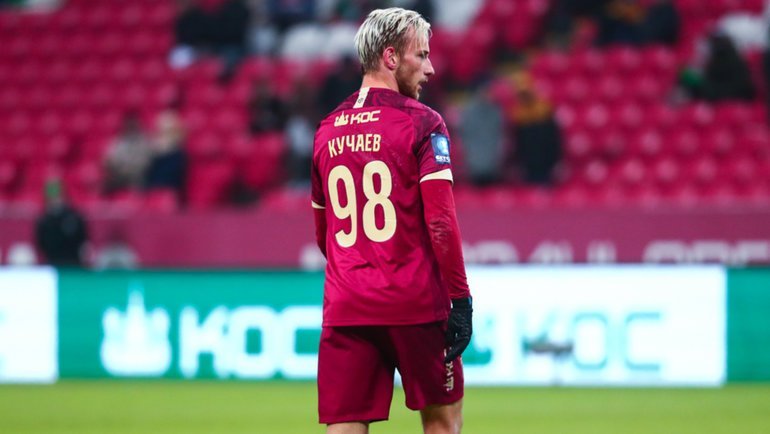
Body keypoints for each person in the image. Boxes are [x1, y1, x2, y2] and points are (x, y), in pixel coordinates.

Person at [310, 8, 473, 434]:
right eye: (422, 55)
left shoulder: (327, 130)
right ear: (391, 57)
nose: (430, 69)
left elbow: (324, 235)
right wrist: (460, 299)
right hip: (414, 303)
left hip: (346, 306)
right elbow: (441, 223)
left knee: (344, 425)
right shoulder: (422, 122)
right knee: (442, 420)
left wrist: (359, 269)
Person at [35, 178, 89, 267]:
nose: (55, 201)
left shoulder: (74, 217)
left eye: (57, 197)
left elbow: (82, 240)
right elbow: (41, 244)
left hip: (73, 263)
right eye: (52, 199)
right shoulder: (44, 221)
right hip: (52, 263)